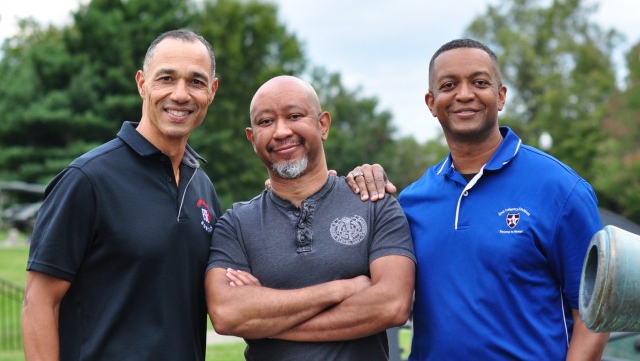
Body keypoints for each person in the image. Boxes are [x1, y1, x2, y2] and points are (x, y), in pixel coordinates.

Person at [351, 38, 610, 360]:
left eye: (479, 82)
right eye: (449, 85)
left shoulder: (560, 189)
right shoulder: (412, 201)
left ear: (500, 96)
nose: (464, 94)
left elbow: (593, 316)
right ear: (431, 103)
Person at [22, 29, 222, 360]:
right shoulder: (87, 180)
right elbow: (39, 302)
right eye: (167, 78)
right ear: (142, 83)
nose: (181, 94)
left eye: (196, 82)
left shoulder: (201, 186)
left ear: (212, 91)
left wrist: (295, 193)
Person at [205, 75, 416, 360]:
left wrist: (265, 320)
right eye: (266, 122)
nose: (281, 131)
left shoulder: (376, 206)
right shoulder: (235, 225)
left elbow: (391, 306)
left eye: (294, 116)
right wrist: (342, 289)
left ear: (323, 125)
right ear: (252, 138)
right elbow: (227, 314)